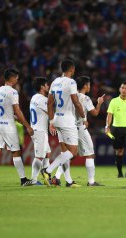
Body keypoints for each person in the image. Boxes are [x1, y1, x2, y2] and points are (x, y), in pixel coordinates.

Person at [0, 68, 34, 186]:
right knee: (16, 152)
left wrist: (14, 117)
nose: (17, 79)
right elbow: (18, 110)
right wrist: (27, 125)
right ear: (11, 78)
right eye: (16, 77)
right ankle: (23, 180)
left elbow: (4, 110)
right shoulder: (13, 91)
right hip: (8, 126)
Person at [40, 59, 85, 187]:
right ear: (72, 69)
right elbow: (76, 102)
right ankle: (47, 170)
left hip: (57, 119)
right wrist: (83, 116)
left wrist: (51, 121)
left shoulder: (55, 82)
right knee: (73, 152)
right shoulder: (71, 82)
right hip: (67, 120)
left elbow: (49, 103)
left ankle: (69, 181)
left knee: (65, 152)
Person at [53, 76, 105, 186]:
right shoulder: (85, 98)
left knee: (70, 154)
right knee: (90, 154)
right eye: (89, 84)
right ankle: (91, 181)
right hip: (80, 128)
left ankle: (57, 177)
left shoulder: (70, 96)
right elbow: (95, 113)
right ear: (86, 86)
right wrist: (99, 103)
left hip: (66, 126)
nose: (90, 86)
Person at [29, 77, 51, 185]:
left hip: (37, 130)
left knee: (47, 153)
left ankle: (47, 177)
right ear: (42, 87)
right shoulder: (43, 100)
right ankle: (33, 179)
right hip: (40, 131)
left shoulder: (34, 97)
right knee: (39, 156)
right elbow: (51, 112)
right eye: (47, 85)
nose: (48, 86)